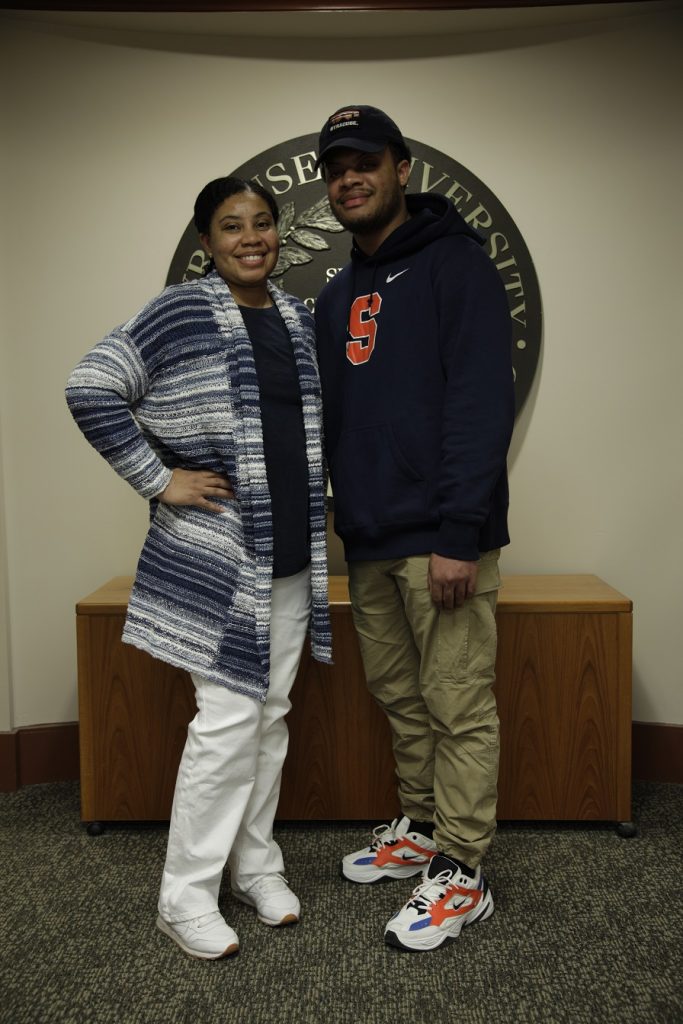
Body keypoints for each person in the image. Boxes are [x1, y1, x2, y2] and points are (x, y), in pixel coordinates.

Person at [65, 176, 331, 960]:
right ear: (207, 241)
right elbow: (90, 385)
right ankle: (184, 898)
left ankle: (256, 866)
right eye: (230, 226)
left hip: (289, 558)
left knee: (270, 716)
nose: (251, 237)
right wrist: (160, 479)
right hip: (217, 559)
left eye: (262, 224)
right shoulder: (179, 310)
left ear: (278, 234)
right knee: (225, 723)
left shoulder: (294, 316)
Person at [314, 105, 515, 952]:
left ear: (401, 169)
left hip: (441, 535)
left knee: (457, 703)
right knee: (400, 698)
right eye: (336, 168)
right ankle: (424, 832)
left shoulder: (456, 267)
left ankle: (464, 872)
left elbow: (477, 403)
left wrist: (459, 530)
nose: (348, 178)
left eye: (365, 162)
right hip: (368, 538)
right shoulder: (334, 295)